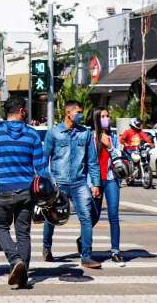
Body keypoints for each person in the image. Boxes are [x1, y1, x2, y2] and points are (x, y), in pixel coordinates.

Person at [0, 97, 47, 287]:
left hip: (4, 191)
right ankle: (22, 273)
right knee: (23, 233)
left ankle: (15, 261)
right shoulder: (32, 135)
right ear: (22, 111)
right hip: (27, 192)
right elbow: (41, 168)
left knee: (0, 228)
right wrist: (49, 189)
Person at [43, 100, 102, 269]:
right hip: (58, 183)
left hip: (79, 183)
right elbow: (43, 159)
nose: (81, 115)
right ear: (68, 113)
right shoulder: (54, 133)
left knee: (86, 218)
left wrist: (95, 183)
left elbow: (92, 161)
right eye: (78, 112)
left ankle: (87, 256)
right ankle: (47, 248)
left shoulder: (86, 134)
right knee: (51, 218)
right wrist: (46, 182)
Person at [92, 107, 125, 266]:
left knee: (113, 215)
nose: (107, 118)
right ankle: (83, 239)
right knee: (94, 216)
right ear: (97, 119)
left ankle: (115, 251)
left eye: (107, 115)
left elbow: (119, 156)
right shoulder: (91, 136)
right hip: (96, 181)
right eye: (103, 116)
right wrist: (92, 183)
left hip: (111, 179)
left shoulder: (113, 136)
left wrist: (110, 146)